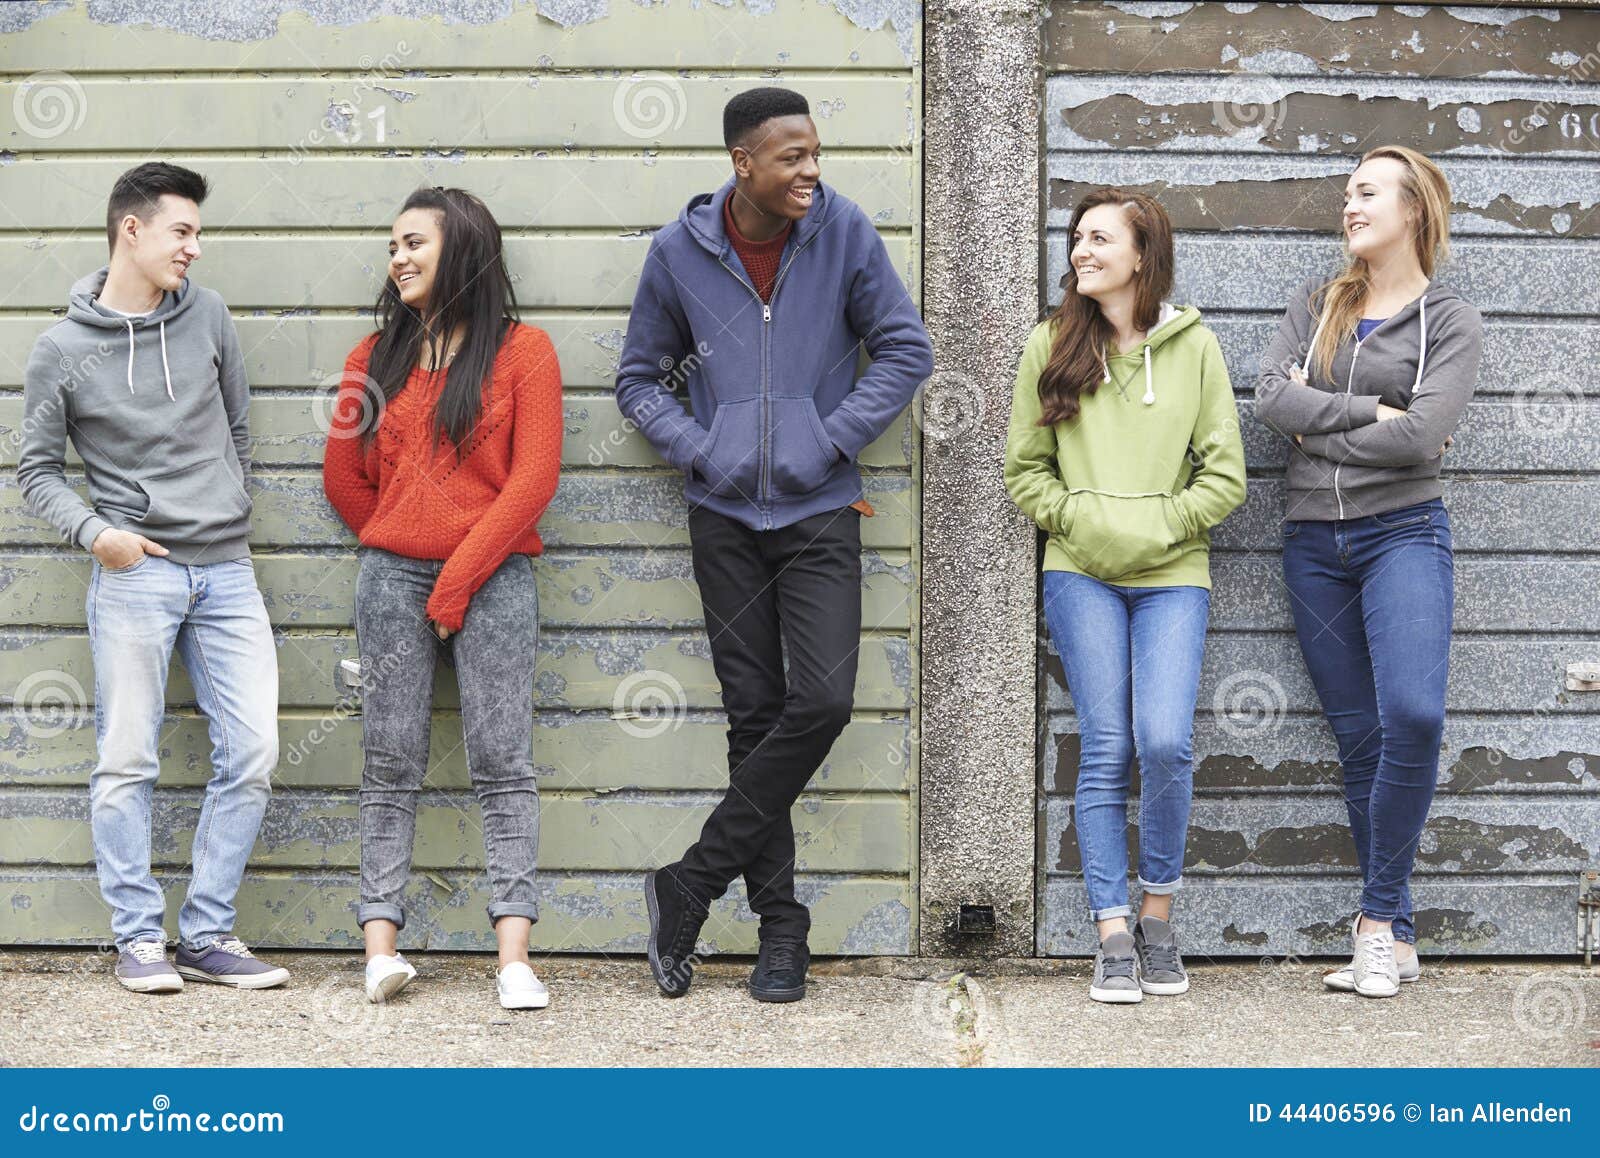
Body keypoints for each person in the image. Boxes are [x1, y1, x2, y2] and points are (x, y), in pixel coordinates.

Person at [615, 86, 933, 1003]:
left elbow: (906, 350)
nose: (810, 171)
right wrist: (702, 445)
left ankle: (690, 881)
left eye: (815, 153)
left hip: (820, 509)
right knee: (754, 720)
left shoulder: (842, 233)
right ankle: (780, 933)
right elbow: (638, 381)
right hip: (722, 518)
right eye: (790, 157)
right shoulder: (680, 253)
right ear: (743, 163)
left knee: (822, 701)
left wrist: (827, 439)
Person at [18, 162, 289, 993]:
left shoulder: (207, 316)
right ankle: (139, 939)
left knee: (253, 750)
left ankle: (207, 934)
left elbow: (238, 425)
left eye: (197, 233)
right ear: (130, 231)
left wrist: (228, 503)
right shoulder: (61, 350)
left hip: (228, 572)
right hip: (136, 577)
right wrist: (102, 536)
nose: (195, 249)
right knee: (127, 759)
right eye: (183, 231)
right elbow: (35, 473)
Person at [322, 187, 563, 1010]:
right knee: (389, 761)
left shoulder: (524, 353)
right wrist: (393, 540)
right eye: (392, 245)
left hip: (494, 576)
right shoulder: (370, 360)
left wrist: (457, 575)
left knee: (503, 761)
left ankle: (514, 959)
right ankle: (380, 950)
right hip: (392, 581)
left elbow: (533, 480)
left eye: (414, 242)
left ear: (461, 248)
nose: (397, 258)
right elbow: (343, 478)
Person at [1004, 188, 1245, 1004]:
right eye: (1075, 237)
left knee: (1167, 741)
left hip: (1175, 575)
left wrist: (1160, 527)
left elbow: (1227, 475)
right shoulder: (1049, 343)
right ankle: (1110, 931)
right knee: (1107, 746)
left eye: (1099, 237)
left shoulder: (1195, 347)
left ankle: (1158, 916)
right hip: (1080, 575)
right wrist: (1082, 521)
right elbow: (1024, 471)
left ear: (1143, 256)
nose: (1080, 250)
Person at [1257, 146, 1481, 998]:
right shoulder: (1318, 305)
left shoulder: (1450, 320)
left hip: (1404, 535)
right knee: (1361, 740)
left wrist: (1321, 431)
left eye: (1367, 192)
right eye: (1347, 193)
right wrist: (1365, 411)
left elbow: (1422, 439)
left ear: (1415, 208)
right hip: (1314, 542)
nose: (1349, 206)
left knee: (1414, 716)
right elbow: (1270, 400)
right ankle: (1400, 931)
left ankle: (1376, 923)